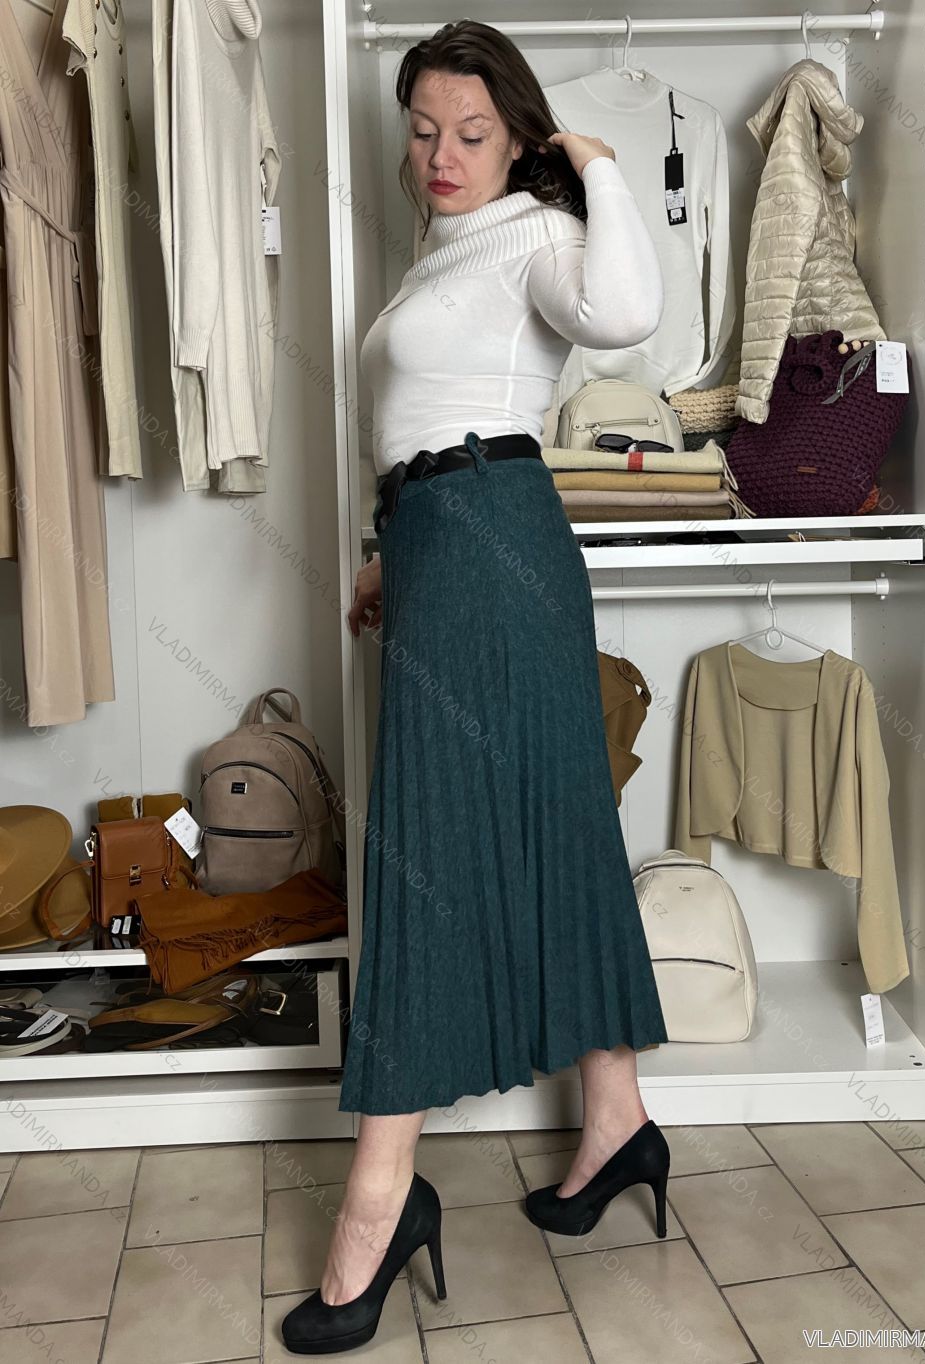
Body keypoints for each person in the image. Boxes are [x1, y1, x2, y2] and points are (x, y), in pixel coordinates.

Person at [282, 19, 671, 1355]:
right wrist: (392, 552)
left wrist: (597, 168)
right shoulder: (439, 251)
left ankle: (381, 1198)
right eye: (423, 130)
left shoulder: (541, 232)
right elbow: (426, 421)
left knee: (427, 855)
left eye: (472, 132)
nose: (441, 155)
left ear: (518, 137)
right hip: (446, 546)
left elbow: (626, 316)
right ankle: (615, 1121)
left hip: (499, 547)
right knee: (557, 826)